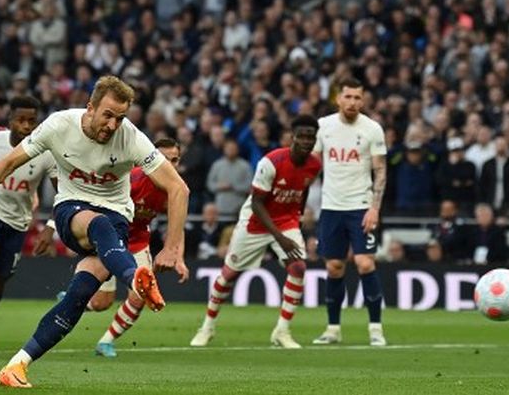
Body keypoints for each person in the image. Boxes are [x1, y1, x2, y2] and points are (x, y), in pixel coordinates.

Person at [0, 76, 189, 388]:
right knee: (98, 223)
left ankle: (17, 365)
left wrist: (173, 247)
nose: (112, 124)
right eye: (107, 115)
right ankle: (134, 277)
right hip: (73, 211)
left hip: (117, 221)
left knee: (80, 295)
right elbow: (10, 161)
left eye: (120, 118)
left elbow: (178, 188)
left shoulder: (132, 138)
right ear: (90, 107)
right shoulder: (59, 125)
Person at [190, 115, 322, 349]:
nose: (306, 141)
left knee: (298, 267)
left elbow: (300, 194)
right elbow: (258, 204)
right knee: (229, 275)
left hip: (287, 222)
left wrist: (296, 223)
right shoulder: (270, 162)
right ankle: (207, 327)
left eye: (310, 137)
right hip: (255, 222)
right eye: (301, 136)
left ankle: (282, 331)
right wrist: (280, 238)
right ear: (292, 137)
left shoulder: (314, 165)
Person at [88, 137, 189, 357]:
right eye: (165, 159)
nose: (171, 166)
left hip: (138, 242)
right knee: (102, 302)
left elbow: (177, 226)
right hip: (111, 239)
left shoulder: (175, 190)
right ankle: (80, 298)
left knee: (140, 293)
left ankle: (106, 342)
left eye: (175, 160)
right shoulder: (131, 179)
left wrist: (178, 258)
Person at [312, 78, 388, 346]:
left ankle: (375, 328)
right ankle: (333, 329)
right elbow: (313, 166)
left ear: (363, 101)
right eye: (348, 97)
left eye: (358, 98)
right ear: (338, 98)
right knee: (334, 267)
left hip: (361, 207)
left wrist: (374, 208)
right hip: (331, 206)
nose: (353, 102)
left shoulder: (372, 129)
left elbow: (380, 170)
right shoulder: (323, 127)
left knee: (365, 263)